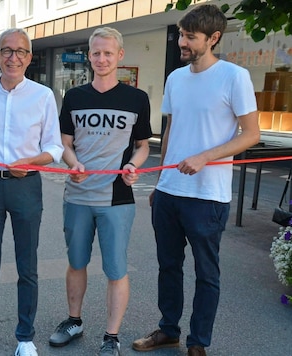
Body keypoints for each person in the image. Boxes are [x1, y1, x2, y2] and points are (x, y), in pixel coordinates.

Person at [132, 5, 260, 356]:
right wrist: (159, 182)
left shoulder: (234, 77)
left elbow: (251, 134)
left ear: (213, 38)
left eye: (190, 37)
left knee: (207, 274)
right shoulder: (176, 78)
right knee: (168, 266)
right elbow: (172, 129)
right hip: (171, 192)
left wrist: (206, 156)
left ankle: (197, 343)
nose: (182, 42)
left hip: (208, 196)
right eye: (181, 35)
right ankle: (168, 330)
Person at [49, 27, 152, 356]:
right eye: (96, 53)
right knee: (76, 262)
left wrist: (134, 165)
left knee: (115, 269)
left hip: (117, 200)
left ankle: (111, 336)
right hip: (78, 196)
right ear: (89, 56)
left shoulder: (136, 99)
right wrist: (73, 163)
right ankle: (74, 321)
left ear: (120, 55)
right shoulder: (75, 97)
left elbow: (142, 146)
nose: (102, 58)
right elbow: (64, 144)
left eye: (108, 53)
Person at [0, 28, 64, 356]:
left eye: (21, 52)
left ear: (30, 58)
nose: (13, 57)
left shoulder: (43, 95)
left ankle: (25, 337)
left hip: (26, 185)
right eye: (7, 51)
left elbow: (54, 147)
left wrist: (33, 161)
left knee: (27, 266)